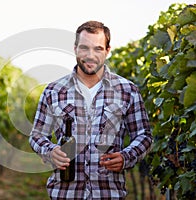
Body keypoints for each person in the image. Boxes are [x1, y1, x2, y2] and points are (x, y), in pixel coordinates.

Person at [29, 20, 152, 199]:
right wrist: (50, 151)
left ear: (107, 51)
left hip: (108, 194)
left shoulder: (127, 91)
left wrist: (126, 156)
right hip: (65, 194)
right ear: (75, 49)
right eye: (84, 48)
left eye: (98, 49)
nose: (90, 55)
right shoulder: (53, 91)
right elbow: (37, 135)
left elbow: (144, 135)